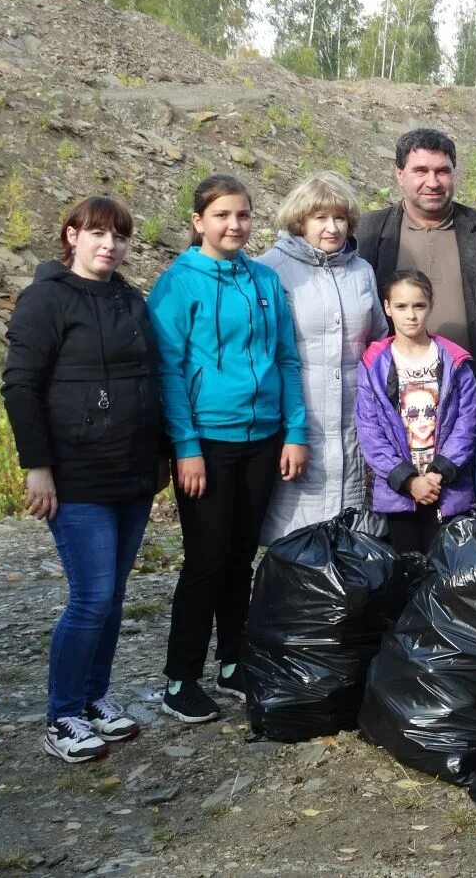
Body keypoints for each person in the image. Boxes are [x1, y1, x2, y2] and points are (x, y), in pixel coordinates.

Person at [1, 196, 160, 762]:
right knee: (90, 597)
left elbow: (150, 380)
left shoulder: (131, 301)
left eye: (118, 236)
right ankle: (62, 715)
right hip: (75, 476)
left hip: (133, 473)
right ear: (71, 236)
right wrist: (37, 466)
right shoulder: (44, 300)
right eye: (96, 233)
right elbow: (20, 387)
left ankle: (93, 700)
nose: (108, 245)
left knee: (112, 597)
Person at [147, 174, 308, 724]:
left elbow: (287, 358)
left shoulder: (264, 280)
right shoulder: (178, 284)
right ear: (198, 223)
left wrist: (295, 431)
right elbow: (167, 371)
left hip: (263, 438)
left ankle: (234, 662)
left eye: (242, 215)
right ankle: (179, 678)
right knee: (206, 560)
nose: (234, 225)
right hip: (208, 442)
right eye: (222, 216)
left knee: (243, 555)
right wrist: (184, 447)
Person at [256, 171, 389, 544]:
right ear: (301, 220)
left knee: (355, 536)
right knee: (296, 536)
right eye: (320, 218)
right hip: (299, 416)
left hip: (354, 416)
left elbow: (378, 340)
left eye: (340, 218)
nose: (332, 228)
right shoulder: (271, 269)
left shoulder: (361, 271)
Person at [356, 128, 476, 383]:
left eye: (442, 171)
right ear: (399, 174)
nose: (433, 182)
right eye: (421, 171)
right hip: (392, 390)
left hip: (469, 390)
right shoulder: (371, 230)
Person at [355, 270, 476, 554]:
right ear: (387, 308)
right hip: (399, 491)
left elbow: (468, 419)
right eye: (401, 306)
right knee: (406, 570)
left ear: (430, 305)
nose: (410, 315)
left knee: (445, 575)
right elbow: (369, 429)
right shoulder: (373, 363)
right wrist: (409, 480)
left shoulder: (453, 359)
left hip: (446, 488)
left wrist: (438, 473)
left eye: (418, 306)